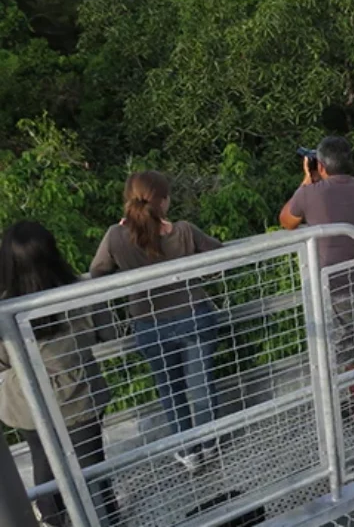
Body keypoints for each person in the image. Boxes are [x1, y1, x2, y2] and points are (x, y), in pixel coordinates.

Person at [90, 171, 223, 471]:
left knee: (170, 389)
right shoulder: (183, 231)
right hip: (193, 316)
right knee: (201, 383)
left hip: (149, 324)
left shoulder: (115, 236)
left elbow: (97, 272)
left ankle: (188, 451)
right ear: (163, 201)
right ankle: (209, 441)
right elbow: (218, 255)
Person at [0, 221, 120, 526]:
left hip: (26, 403)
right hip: (79, 398)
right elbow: (108, 333)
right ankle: (104, 519)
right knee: (92, 470)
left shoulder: (5, 308)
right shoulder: (78, 293)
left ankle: (54, 520)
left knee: (43, 464)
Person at [278, 136, 354, 428]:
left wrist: (306, 181)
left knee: (350, 348)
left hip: (337, 284)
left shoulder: (311, 193)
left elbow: (286, 221)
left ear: (320, 166)